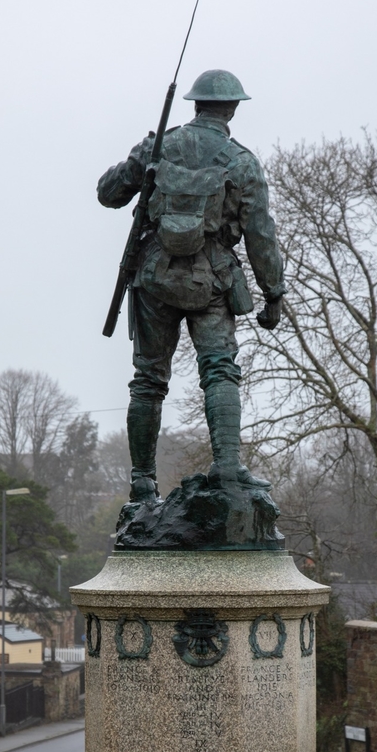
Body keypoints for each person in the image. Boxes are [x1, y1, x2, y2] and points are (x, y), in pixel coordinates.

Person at [97, 69, 286, 505]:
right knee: (220, 370)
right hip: (212, 280)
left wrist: (141, 162)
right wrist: (273, 293)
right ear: (234, 108)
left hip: (154, 276)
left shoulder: (158, 146)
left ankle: (143, 482)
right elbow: (261, 236)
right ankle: (227, 470)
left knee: (147, 380)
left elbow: (108, 194)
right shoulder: (243, 163)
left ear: (194, 104)